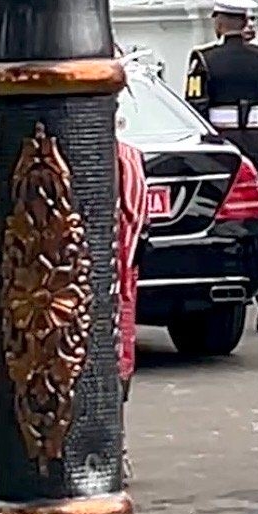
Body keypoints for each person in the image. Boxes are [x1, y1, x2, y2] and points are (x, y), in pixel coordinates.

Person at [185, 0, 258, 332]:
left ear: (220, 22)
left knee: (222, 221)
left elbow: (195, 109)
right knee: (256, 217)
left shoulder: (203, 60)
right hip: (257, 147)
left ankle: (241, 290)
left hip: (222, 150)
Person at [116, 132, 148, 483]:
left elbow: (137, 225)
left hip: (116, 274)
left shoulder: (126, 158)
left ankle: (116, 447)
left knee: (116, 367)